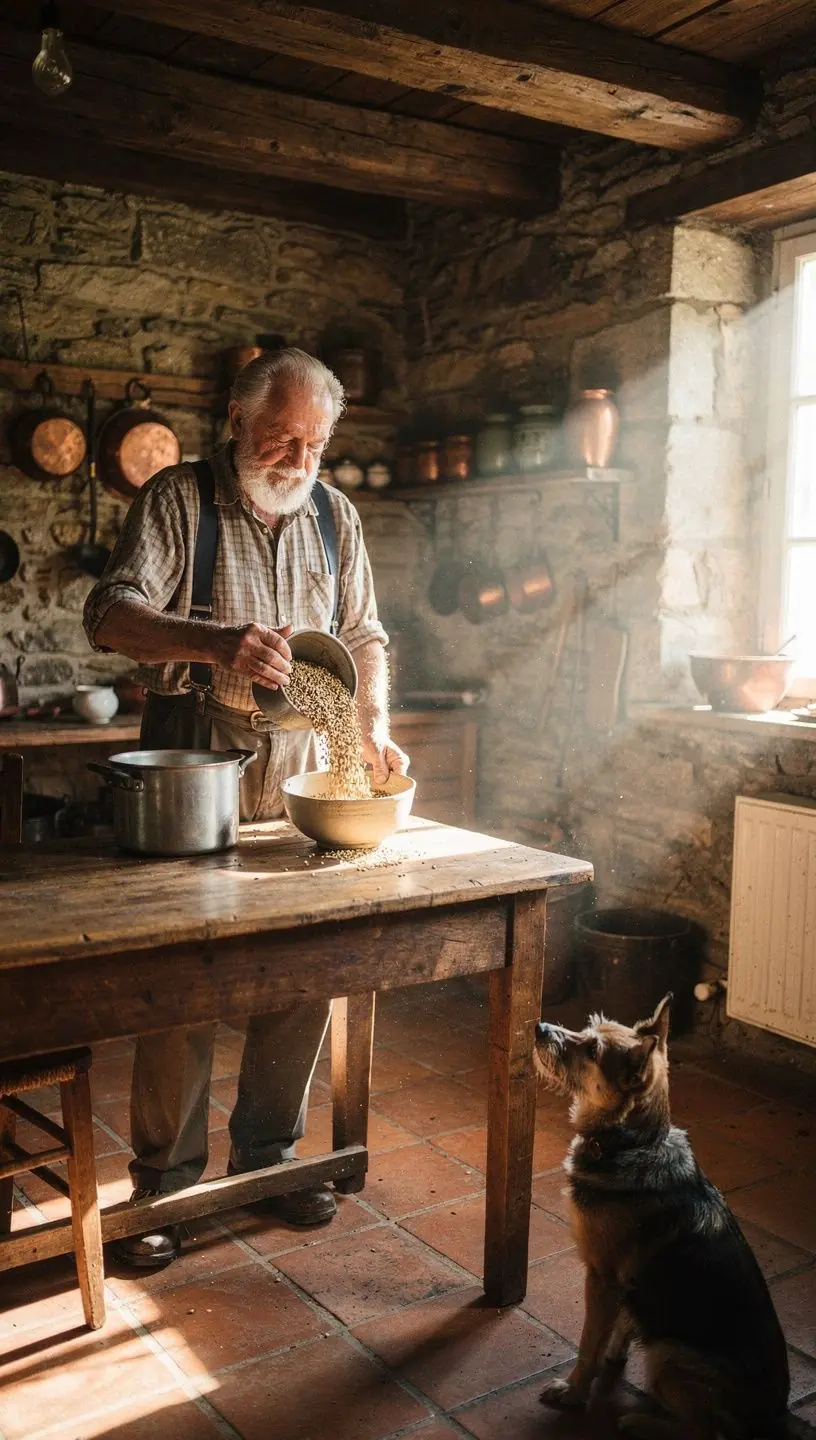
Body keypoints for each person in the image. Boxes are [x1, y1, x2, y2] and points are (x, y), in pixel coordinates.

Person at [83, 347, 408, 1269]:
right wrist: (218, 642)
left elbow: (365, 636)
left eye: (314, 441)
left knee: (297, 971)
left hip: (307, 771)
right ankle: (167, 1185)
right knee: (181, 983)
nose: (297, 456)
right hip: (197, 761)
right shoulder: (177, 501)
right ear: (236, 417)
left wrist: (372, 723)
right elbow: (110, 614)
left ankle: (268, 1159)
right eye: (281, 434)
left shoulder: (336, 518)